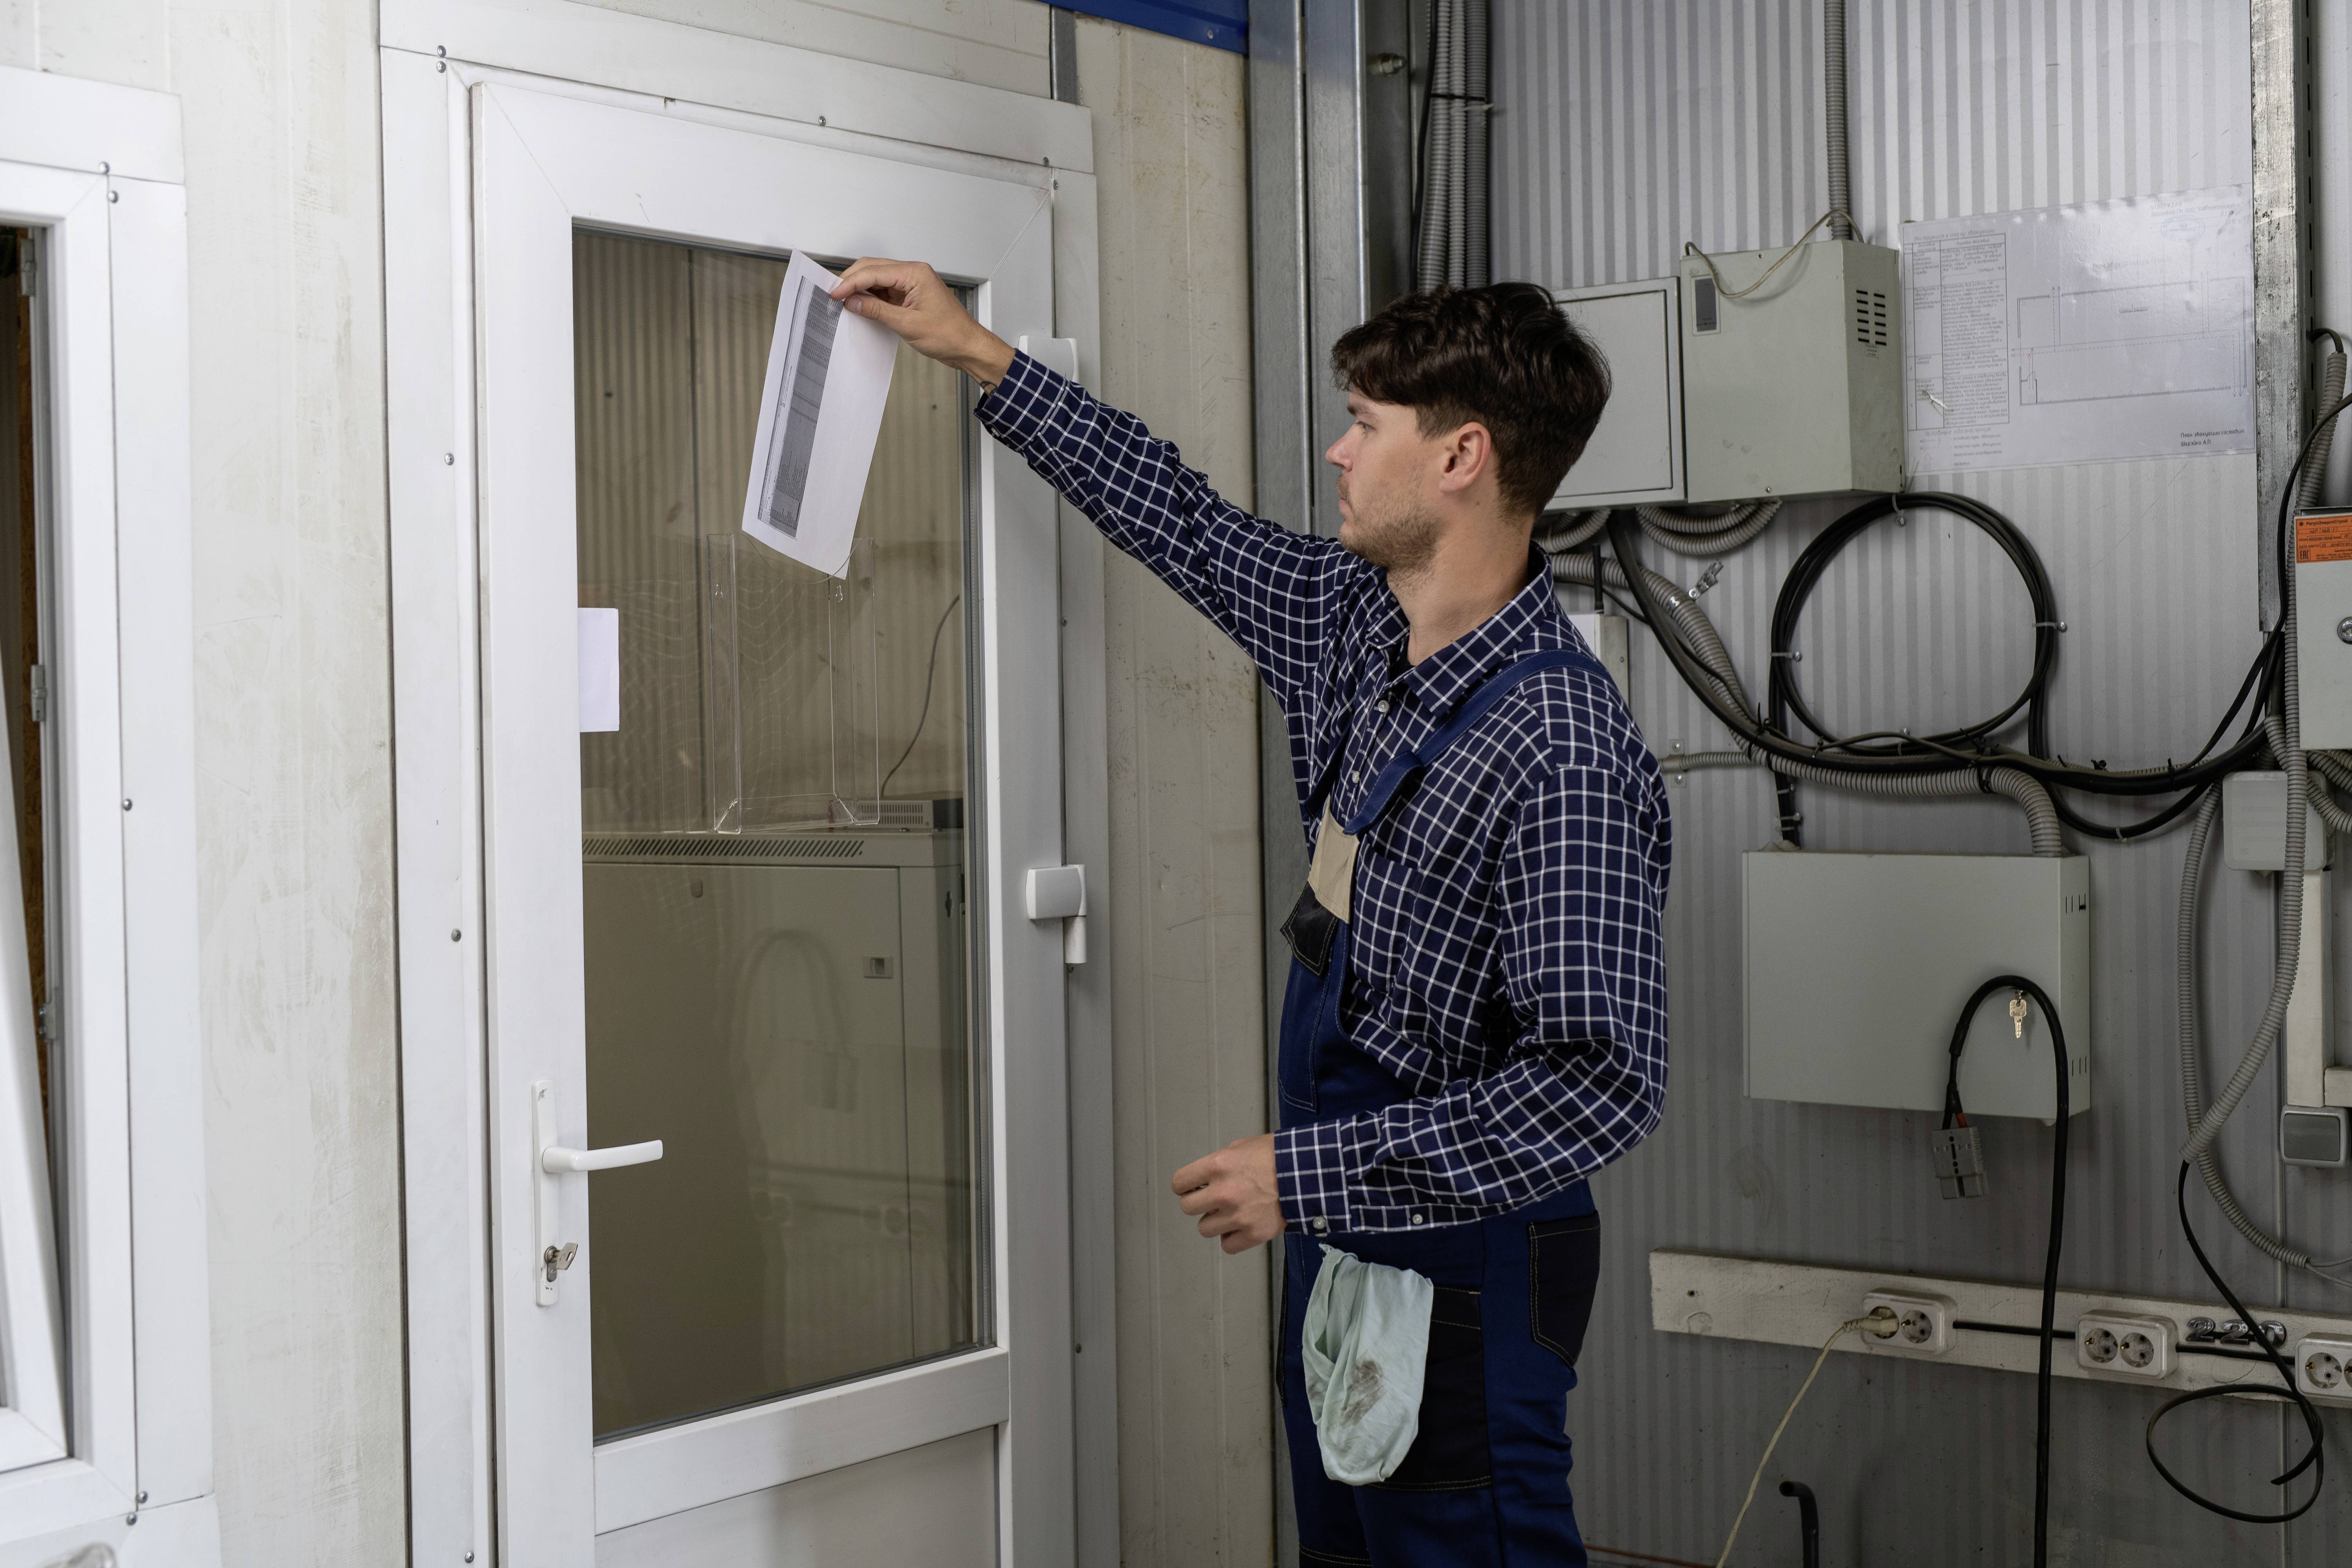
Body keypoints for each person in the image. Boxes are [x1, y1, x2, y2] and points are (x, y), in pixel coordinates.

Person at [832, 259, 1670, 1567]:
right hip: (1347, 1241)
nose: (1337, 451)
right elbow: (1179, 518)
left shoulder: (1555, 742)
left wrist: (1306, 1170)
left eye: (1365, 424)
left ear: (1461, 456)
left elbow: (1597, 1084)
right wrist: (975, 352)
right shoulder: (1355, 623)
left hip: (1468, 1271)